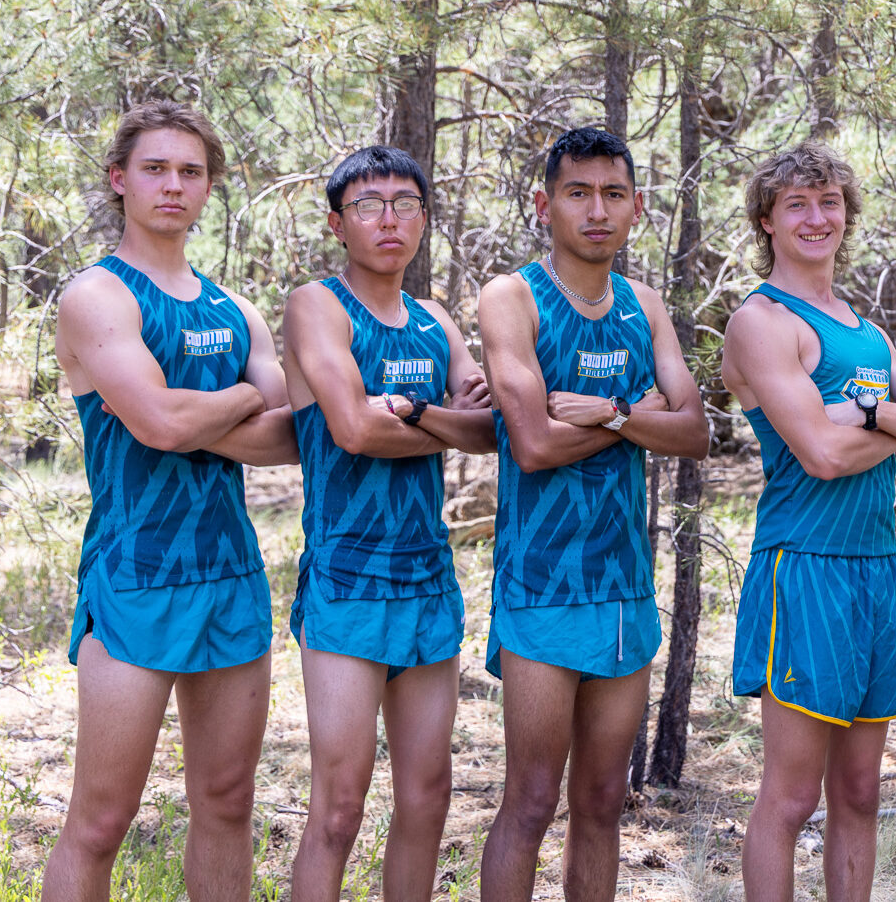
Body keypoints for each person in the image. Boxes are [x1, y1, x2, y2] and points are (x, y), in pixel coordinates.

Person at [43, 100, 299, 902]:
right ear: (119, 180)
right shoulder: (97, 295)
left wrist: (181, 413)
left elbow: (290, 439)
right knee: (101, 818)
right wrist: (223, 405)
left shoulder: (235, 310)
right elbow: (154, 423)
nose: (172, 185)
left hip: (230, 572)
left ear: (209, 187)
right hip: (137, 574)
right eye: (154, 168)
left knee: (226, 803)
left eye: (191, 172)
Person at [722, 141, 896, 902]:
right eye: (797, 204)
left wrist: (862, 409)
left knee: (859, 794)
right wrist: (893, 425)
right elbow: (822, 456)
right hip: (805, 567)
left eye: (829, 202)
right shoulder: (762, 322)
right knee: (791, 798)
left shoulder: (865, 330)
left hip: (873, 569)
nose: (816, 217)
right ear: (767, 219)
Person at [474, 126, 709, 902]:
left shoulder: (644, 304)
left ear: (637, 207)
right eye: (578, 193)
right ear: (545, 204)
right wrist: (637, 413)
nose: (596, 210)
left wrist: (606, 412)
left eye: (613, 194)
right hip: (541, 586)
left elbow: (697, 431)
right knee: (532, 800)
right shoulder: (513, 298)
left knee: (604, 802)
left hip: (624, 588)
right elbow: (533, 442)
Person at [281, 146, 497, 901]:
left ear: (424, 219)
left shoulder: (436, 319)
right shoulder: (318, 306)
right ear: (338, 223)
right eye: (368, 206)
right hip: (347, 582)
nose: (388, 220)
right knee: (338, 811)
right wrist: (436, 420)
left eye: (405, 203)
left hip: (428, 582)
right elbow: (352, 430)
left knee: (428, 800)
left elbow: (488, 429)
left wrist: (408, 408)